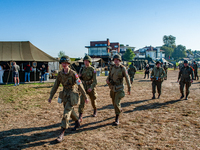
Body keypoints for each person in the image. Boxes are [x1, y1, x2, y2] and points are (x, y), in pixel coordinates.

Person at [48, 56, 89, 142]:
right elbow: (55, 86)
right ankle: (77, 121)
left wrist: (85, 96)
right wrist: (51, 96)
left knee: (66, 114)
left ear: (69, 64)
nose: (64, 64)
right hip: (65, 95)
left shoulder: (73, 73)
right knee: (70, 111)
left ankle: (61, 133)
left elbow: (80, 85)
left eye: (66, 63)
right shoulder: (60, 74)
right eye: (63, 63)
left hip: (72, 94)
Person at [106, 54, 131, 125]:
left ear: (120, 61)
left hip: (119, 88)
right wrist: (107, 80)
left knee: (116, 103)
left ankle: (117, 118)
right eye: (115, 60)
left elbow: (127, 78)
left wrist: (129, 88)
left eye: (117, 60)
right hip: (113, 88)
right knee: (114, 103)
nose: (116, 61)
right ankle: (119, 109)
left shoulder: (123, 68)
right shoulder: (112, 67)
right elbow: (109, 75)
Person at [78, 55, 98, 122]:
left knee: (93, 100)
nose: (86, 62)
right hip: (84, 87)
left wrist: (91, 88)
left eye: (87, 61)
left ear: (89, 62)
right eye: (85, 61)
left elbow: (95, 81)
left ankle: (95, 109)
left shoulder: (92, 70)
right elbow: (79, 79)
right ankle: (80, 115)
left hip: (90, 86)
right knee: (82, 101)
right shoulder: (82, 69)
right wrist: (79, 76)